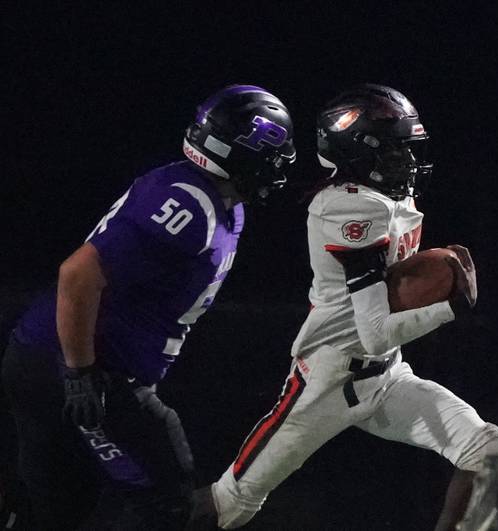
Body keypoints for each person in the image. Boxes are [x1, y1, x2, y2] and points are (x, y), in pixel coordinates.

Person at [189, 84, 498, 530]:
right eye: (396, 150)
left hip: (385, 375)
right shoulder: (347, 208)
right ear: (359, 153)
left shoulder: (391, 198)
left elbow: (382, 336)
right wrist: (450, 307)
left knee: (491, 451)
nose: (409, 162)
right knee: (231, 505)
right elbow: (375, 330)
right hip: (330, 377)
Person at [1, 84, 296, 530]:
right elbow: (77, 276)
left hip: (51, 360)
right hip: (75, 369)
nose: (279, 168)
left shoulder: (216, 199)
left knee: (56, 510)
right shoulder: (188, 202)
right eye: (275, 155)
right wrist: (79, 373)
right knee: (165, 497)